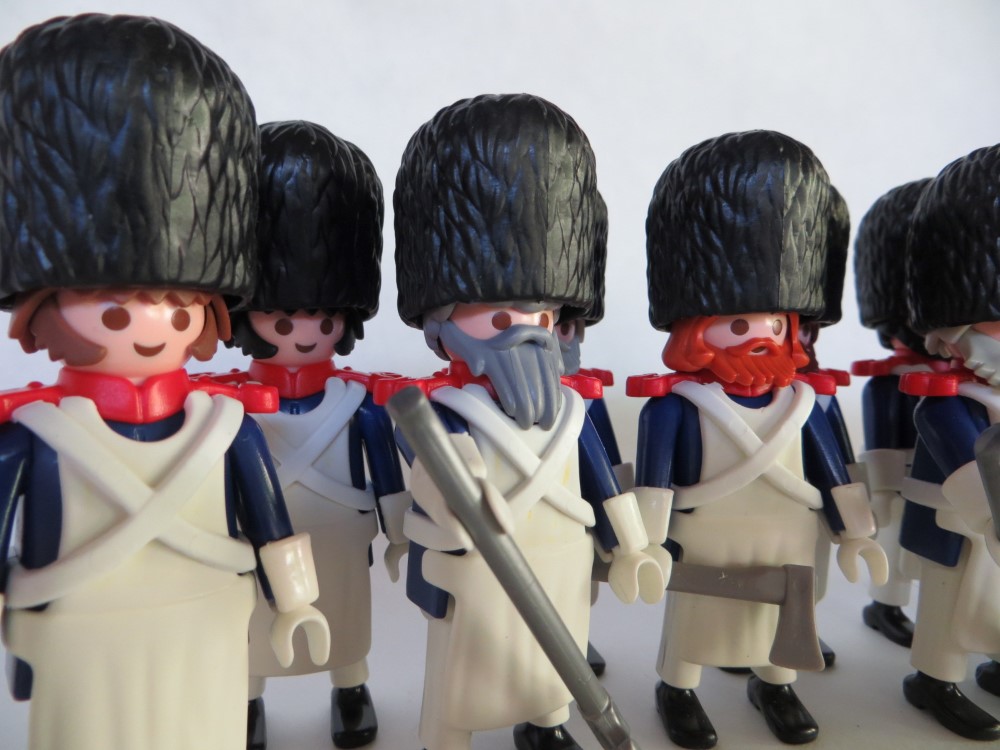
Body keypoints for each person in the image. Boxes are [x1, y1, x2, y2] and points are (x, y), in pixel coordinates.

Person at [0, 16, 327, 750]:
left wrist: (296, 599)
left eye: (179, 308)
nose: (150, 327)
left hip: (205, 617)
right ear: (41, 307)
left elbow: (270, 520)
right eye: (114, 310)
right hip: (82, 632)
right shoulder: (31, 438)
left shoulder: (227, 427)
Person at [390, 93, 670, 750]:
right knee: (464, 672)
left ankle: (546, 726)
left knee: (552, 668)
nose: (525, 333)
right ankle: (448, 738)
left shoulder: (573, 407)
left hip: (562, 559)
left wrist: (632, 545)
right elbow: (431, 479)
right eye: (497, 317)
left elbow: (602, 480)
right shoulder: (440, 414)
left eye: (540, 316)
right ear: (441, 322)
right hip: (478, 565)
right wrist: (456, 481)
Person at [631, 130, 886, 749]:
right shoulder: (673, 406)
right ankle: (678, 688)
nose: (759, 339)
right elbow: (654, 480)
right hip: (707, 533)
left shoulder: (807, 401)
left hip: (787, 531)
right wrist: (645, 542)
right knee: (696, 620)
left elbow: (834, 472)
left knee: (786, 616)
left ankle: (775, 685)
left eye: (772, 323)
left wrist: (855, 533)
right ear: (696, 330)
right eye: (737, 325)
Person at [227, 120, 408, 749]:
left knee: (345, 618)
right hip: (258, 536)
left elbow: (387, 474)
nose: (305, 335)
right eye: (282, 321)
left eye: (325, 319)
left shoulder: (358, 402)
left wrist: (398, 534)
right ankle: (248, 699)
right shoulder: (228, 407)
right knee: (257, 623)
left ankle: (350, 688)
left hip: (340, 533)